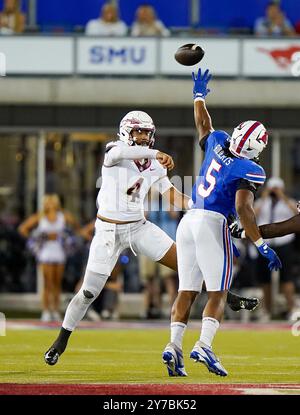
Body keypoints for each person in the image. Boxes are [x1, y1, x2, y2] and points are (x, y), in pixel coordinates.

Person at [44, 110, 262, 366]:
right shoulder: (114, 151)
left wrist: (199, 206)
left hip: (138, 227)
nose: (144, 137)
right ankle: (61, 340)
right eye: (139, 132)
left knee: (186, 265)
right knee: (88, 293)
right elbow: (126, 153)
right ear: (127, 131)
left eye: (147, 133)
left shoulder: (155, 163)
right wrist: (154, 154)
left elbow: (171, 195)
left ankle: (230, 297)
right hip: (107, 231)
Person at [162, 68, 282, 378]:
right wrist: (261, 243)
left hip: (187, 221)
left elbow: (204, 123)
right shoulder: (249, 168)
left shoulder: (217, 141)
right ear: (255, 148)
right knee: (218, 291)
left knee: (187, 290)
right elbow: (243, 208)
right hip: (212, 223)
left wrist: (198, 95)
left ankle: (173, 346)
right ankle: (204, 344)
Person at [18, 194, 80, 321]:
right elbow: (22, 229)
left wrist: (66, 238)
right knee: (47, 283)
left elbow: (76, 226)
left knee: (57, 283)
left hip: (59, 251)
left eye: (53, 202)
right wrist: (36, 239)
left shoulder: (63, 216)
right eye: (48, 202)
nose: (51, 204)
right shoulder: (40, 216)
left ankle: (56, 310)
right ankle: (46, 310)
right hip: (45, 252)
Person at [254, 177, 298, 321]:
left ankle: (292, 309)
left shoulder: (290, 202)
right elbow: (252, 215)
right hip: (265, 244)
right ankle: (266, 311)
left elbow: (296, 214)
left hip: (284, 242)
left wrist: (282, 197)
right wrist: (265, 196)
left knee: (287, 278)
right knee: (265, 279)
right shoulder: (262, 202)